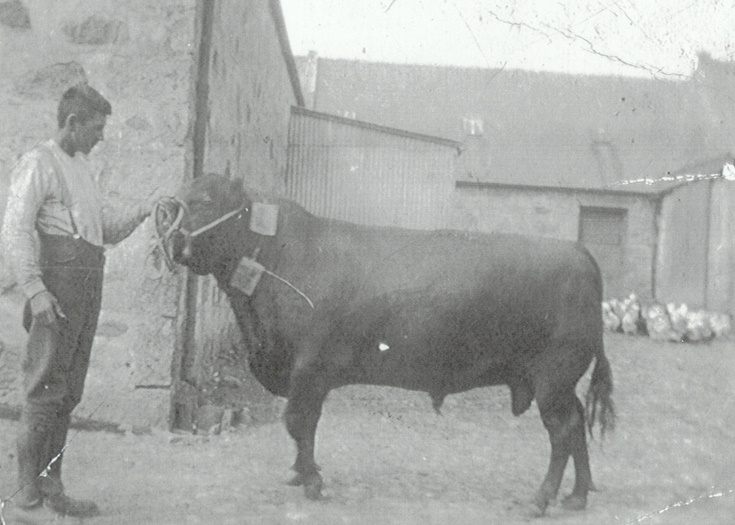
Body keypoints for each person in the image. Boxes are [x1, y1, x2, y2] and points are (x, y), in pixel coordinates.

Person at [1, 83, 156, 519]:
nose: (102, 136)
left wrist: (144, 210)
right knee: (43, 391)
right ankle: (27, 498)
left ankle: (54, 487)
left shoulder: (82, 169)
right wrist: (35, 290)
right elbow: (15, 231)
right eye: (96, 127)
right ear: (72, 123)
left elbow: (101, 230)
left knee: (67, 393)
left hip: (85, 293)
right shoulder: (37, 164)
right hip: (55, 294)